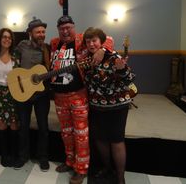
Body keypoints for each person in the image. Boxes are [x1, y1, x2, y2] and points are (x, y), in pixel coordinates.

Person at [49, 15, 113, 184]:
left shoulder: (81, 40)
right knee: (66, 133)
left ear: (74, 27)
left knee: (81, 134)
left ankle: (81, 169)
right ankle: (70, 162)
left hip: (78, 95)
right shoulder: (55, 43)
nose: (65, 31)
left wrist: (102, 50)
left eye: (68, 27)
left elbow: (108, 39)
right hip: (59, 97)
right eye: (62, 28)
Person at [82, 27, 135, 184]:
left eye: (94, 41)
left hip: (117, 107)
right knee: (100, 140)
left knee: (116, 141)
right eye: (88, 41)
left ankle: (120, 177)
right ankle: (107, 168)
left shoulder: (113, 56)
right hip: (96, 106)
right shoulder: (87, 59)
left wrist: (122, 69)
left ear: (101, 41)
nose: (91, 44)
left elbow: (129, 80)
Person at [14, 19, 51, 172]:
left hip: (41, 93)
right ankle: (23, 156)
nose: (41, 34)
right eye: (38, 32)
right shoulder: (21, 45)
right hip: (23, 92)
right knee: (23, 126)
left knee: (43, 126)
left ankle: (43, 157)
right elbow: (14, 65)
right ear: (30, 33)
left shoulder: (48, 49)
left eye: (43, 31)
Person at [0, 28, 20, 167]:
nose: (7, 39)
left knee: (14, 123)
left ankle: (14, 154)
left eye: (9, 38)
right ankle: (4, 155)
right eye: (4, 37)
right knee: (2, 123)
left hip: (14, 93)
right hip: (0, 93)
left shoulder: (16, 55)